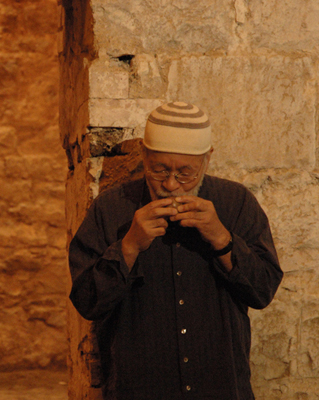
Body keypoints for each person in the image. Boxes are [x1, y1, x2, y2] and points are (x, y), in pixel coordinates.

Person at [68, 101, 283, 399]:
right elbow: (87, 302)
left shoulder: (237, 203)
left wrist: (222, 239)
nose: (170, 184)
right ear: (144, 155)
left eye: (186, 173)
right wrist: (128, 247)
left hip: (219, 388)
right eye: (159, 170)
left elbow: (263, 291)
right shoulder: (111, 209)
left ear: (207, 160)